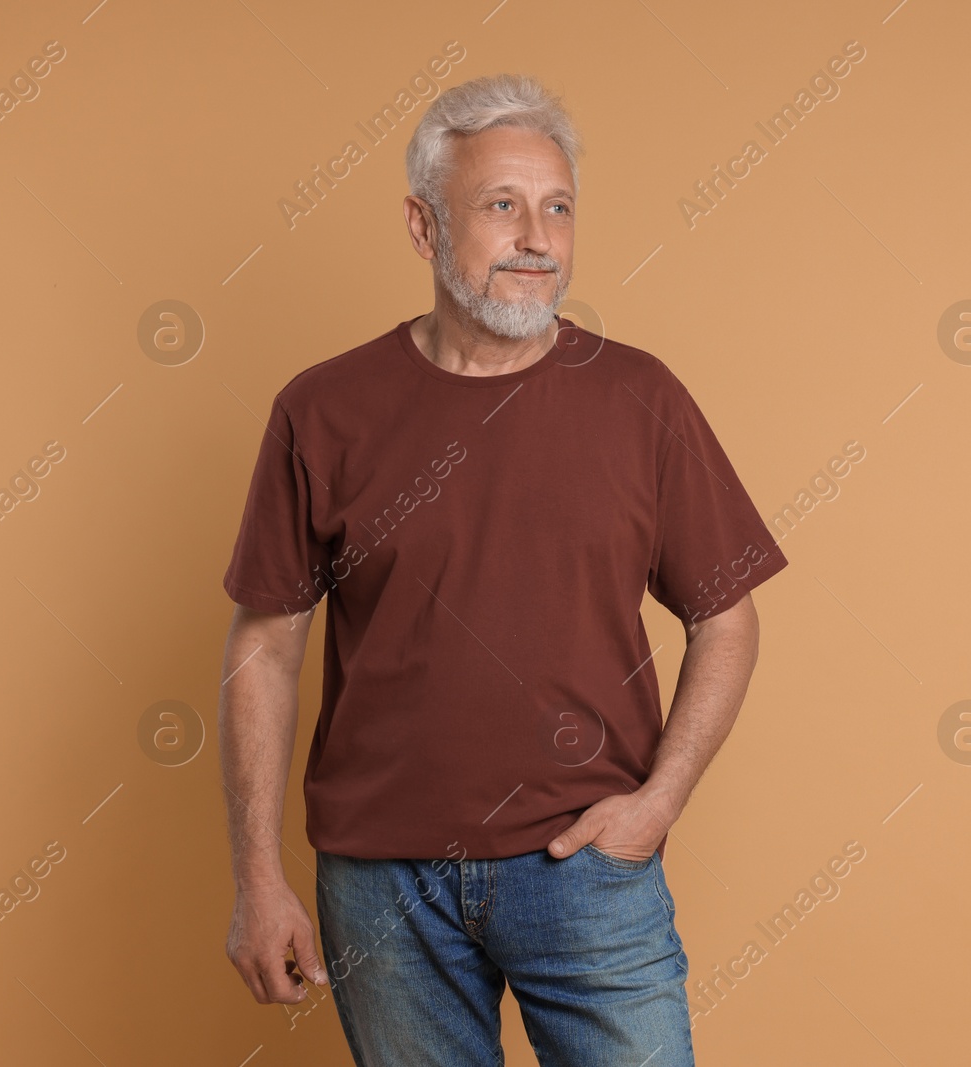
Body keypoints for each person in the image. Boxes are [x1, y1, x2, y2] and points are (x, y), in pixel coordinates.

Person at [217, 72, 788, 1066]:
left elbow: (726, 616)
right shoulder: (324, 409)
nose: (538, 236)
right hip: (382, 884)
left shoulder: (640, 399)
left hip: (587, 869)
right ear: (423, 225)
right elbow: (264, 646)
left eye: (558, 208)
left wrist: (661, 798)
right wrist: (257, 876)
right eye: (502, 205)